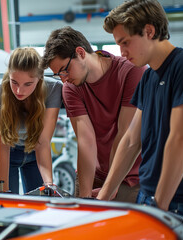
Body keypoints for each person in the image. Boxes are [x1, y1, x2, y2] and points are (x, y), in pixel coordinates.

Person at [97, 0, 183, 217]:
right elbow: (131, 141)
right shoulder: (148, 77)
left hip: (177, 202)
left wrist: (160, 207)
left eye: (126, 42)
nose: (122, 51)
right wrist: (103, 196)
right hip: (147, 195)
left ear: (149, 31)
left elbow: (181, 139)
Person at [41, 26, 147, 202]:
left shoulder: (131, 72)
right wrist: (84, 200)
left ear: (81, 52)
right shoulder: (71, 87)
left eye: (65, 69)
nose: (63, 79)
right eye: (58, 74)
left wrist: (109, 187)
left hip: (130, 176)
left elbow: (125, 134)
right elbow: (85, 140)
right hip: (93, 171)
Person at [0, 47, 62, 194]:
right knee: (6, 207)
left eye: (28, 84)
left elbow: (43, 142)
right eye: (14, 82)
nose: (19, 91)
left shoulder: (53, 89)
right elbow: (3, 146)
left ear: (40, 78)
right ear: (9, 75)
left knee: (41, 205)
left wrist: (49, 185)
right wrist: (3, 191)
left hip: (35, 151)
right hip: (1, 151)